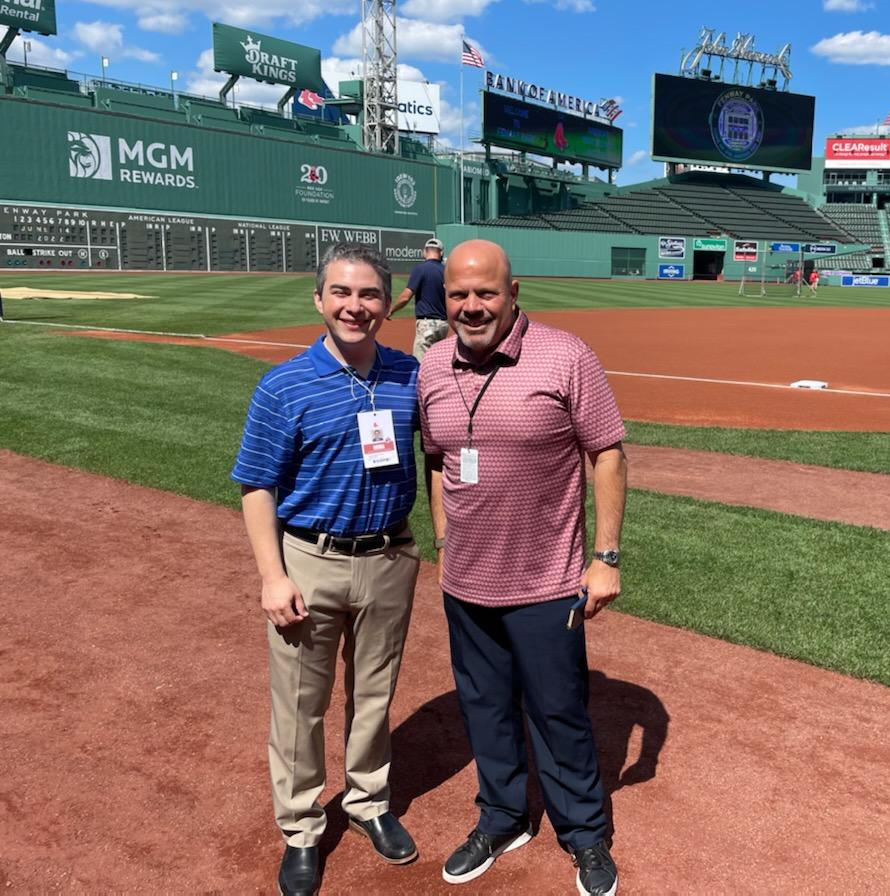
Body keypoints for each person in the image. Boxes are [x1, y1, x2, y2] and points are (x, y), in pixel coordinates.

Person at [417, 239, 627, 896]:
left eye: (485, 292)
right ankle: (503, 817)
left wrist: (605, 557)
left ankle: (584, 833)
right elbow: (438, 458)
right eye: (459, 294)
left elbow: (609, 455)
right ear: (443, 298)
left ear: (514, 293)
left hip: (546, 582)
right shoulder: (431, 367)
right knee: (484, 709)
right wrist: (444, 536)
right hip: (466, 583)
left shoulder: (565, 356)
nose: (472, 306)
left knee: (558, 711)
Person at [232, 242, 423, 896]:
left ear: (386, 303)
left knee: (374, 695)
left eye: (369, 294)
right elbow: (256, 484)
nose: (355, 305)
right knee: (300, 706)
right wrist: (272, 575)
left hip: (391, 556)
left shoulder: (408, 376)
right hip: (309, 559)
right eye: (341, 292)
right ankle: (301, 827)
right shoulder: (283, 385)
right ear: (319, 300)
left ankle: (367, 801)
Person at [388, 237, 449, 360]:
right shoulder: (446, 271)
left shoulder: (420, 269)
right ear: (441, 252)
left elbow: (405, 297)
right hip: (443, 325)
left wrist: (391, 310)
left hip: (427, 325)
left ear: (424, 252)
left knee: (420, 364)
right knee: (436, 361)